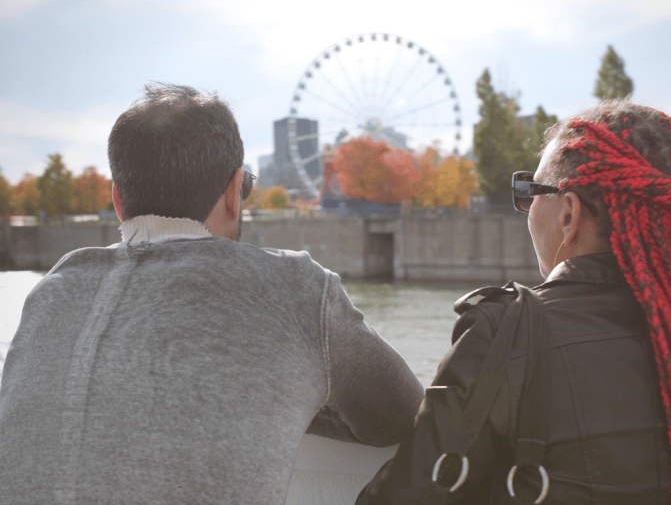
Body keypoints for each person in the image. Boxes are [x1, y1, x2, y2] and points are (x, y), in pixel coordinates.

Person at [0, 83, 424, 504]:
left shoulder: (52, 291)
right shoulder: (298, 289)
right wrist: (294, 398)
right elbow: (404, 415)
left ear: (117, 200)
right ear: (233, 193)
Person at [356, 100, 671, 504]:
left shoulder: (508, 333)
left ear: (569, 214)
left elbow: (420, 492)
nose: (527, 208)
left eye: (531, 192)